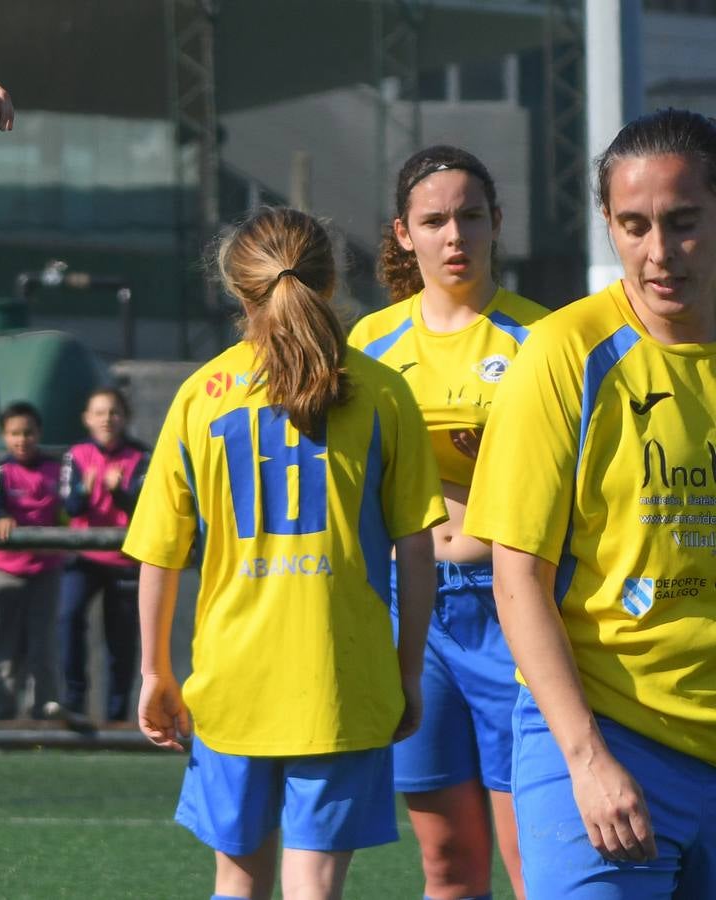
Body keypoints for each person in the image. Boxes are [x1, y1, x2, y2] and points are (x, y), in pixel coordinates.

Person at [128, 206, 445, 900]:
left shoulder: (199, 397)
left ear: (237, 290)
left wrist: (154, 670)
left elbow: (159, 555)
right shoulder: (384, 391)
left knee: (236, 885)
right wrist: (409, 671)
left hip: (231, 683)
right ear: (330, 284)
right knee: (314, 890)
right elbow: (416, 550)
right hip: (343, 681)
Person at [465, 107, 716, 898]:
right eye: (633, 225)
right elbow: (517, 581)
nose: (657, 253)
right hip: (608, 739)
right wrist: (586, 758)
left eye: (683, 223)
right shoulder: (564, 354)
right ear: (607, 223)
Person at [348, 145, 547, 900]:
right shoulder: (369, 344)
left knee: (535, 864)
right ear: (404, 233)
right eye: (434, 220)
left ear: (497, 223)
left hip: (515, 607)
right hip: (415, 617)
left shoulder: (546, 339)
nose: (454, 235)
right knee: (447, 867)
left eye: (470, 216)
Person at [57, 386, 148, 724]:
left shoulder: (142, 456)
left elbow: (145, 508)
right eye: (99, 412)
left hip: (124, 559)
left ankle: (117, 715)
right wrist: (86, 486)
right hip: (84, 556)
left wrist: (119, 492)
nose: (106, 419)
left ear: (124, 418)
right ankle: (75, 701)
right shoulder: (76, 455)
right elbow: (70, 507)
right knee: (69, 618)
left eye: (113, 412)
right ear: (87, 418)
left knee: (120, 640)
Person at [0, 400, 65, 720]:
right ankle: (3, 714)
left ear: (39, 433)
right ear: (4, 436)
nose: (22, 439)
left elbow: (71, 506)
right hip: (6, 570)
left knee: (42, 642)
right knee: (7, 644)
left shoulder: (57, 468)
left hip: (46, 568)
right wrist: (0, 517)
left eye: (28, 432)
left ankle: (43, 711)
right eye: (14, 433)